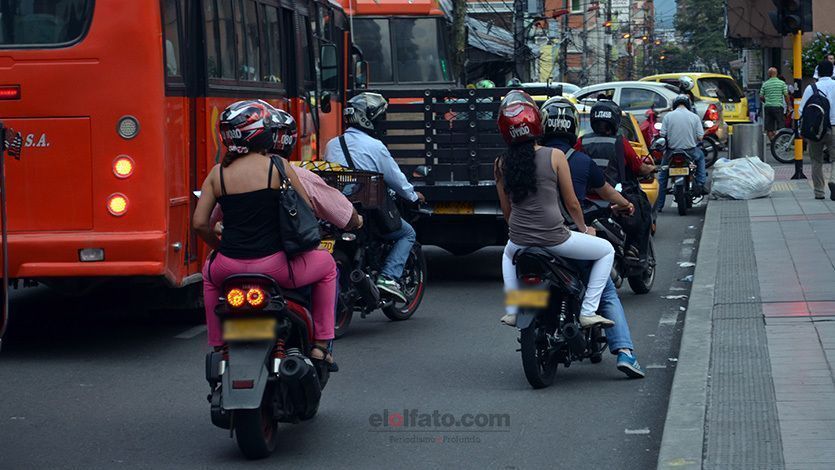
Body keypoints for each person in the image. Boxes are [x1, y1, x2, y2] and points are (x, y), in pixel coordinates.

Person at [193, 100, 338, 368]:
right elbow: (305, 207)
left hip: (228, 266)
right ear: (262, 134)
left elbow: (200, 224)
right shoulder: (278, 166)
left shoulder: (217, 174)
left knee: (209, 278)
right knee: (328, 266)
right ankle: (320, 345)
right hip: (275, 266)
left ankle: (216, 345)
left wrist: (219, 247)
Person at [539, 96, 646, 378]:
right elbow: (601, 195)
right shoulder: (579, 160)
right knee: (607, 289)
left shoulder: (529, 158)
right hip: (567, 235)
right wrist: (625, 204)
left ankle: (519, 310)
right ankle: (624, 352)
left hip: (528, 239)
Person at [496, 91, 615, 330]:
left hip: (519, 240)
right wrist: (584, 229)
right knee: (606, 251)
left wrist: (521, 231)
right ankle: (588, 311)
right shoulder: (556, 155)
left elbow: (506, 210)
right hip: (555, 238)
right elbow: (571, 204)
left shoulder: (500, 163)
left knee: (507, 255)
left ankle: (512, 311)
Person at [324, 93, 423, 302]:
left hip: (337, 211)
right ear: (367, 118)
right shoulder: (375, 146)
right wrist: (414, 197)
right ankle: (388, 277)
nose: (381, 122)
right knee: (408, 234)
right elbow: (396, 180)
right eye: (379, 117)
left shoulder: (332, 145)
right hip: (370, 216)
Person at [574, 100, 655, 257]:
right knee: (643, 210)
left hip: (586, 201)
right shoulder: (620, 142)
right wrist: (652, 168)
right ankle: (634, 248)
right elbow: (639, 168)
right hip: (615, 198)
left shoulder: (582, 141)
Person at [653, 95, 708, 212]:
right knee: (701, 157)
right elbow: (700, 137)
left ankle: (659, 205)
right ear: (687, 104)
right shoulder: (694, 117)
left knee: (662, 178)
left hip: (671, 153)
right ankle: (701, 183)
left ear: (675, 104)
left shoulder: (668, 116)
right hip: (690, 152)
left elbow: (662, 135)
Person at [800, 59, 835, 200]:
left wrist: (801, 131)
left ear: (818, 73)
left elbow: (802, 110)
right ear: (832, 71)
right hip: (834, 127)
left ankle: (819, 192)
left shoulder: (811, 88)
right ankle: (833, 180)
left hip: (816, 129)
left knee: (816, 160)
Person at [761, 67, 790, 141]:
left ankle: (773, 142)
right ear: (776, 74)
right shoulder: (782, 83)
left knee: (769, 128)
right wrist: (789, 106)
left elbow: (761, 96)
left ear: (769, 74)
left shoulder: (765, 84)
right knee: (781, 126)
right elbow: (786, 95)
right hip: (778, 107)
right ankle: (779, 140)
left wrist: (767, 101)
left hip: (768, 107)